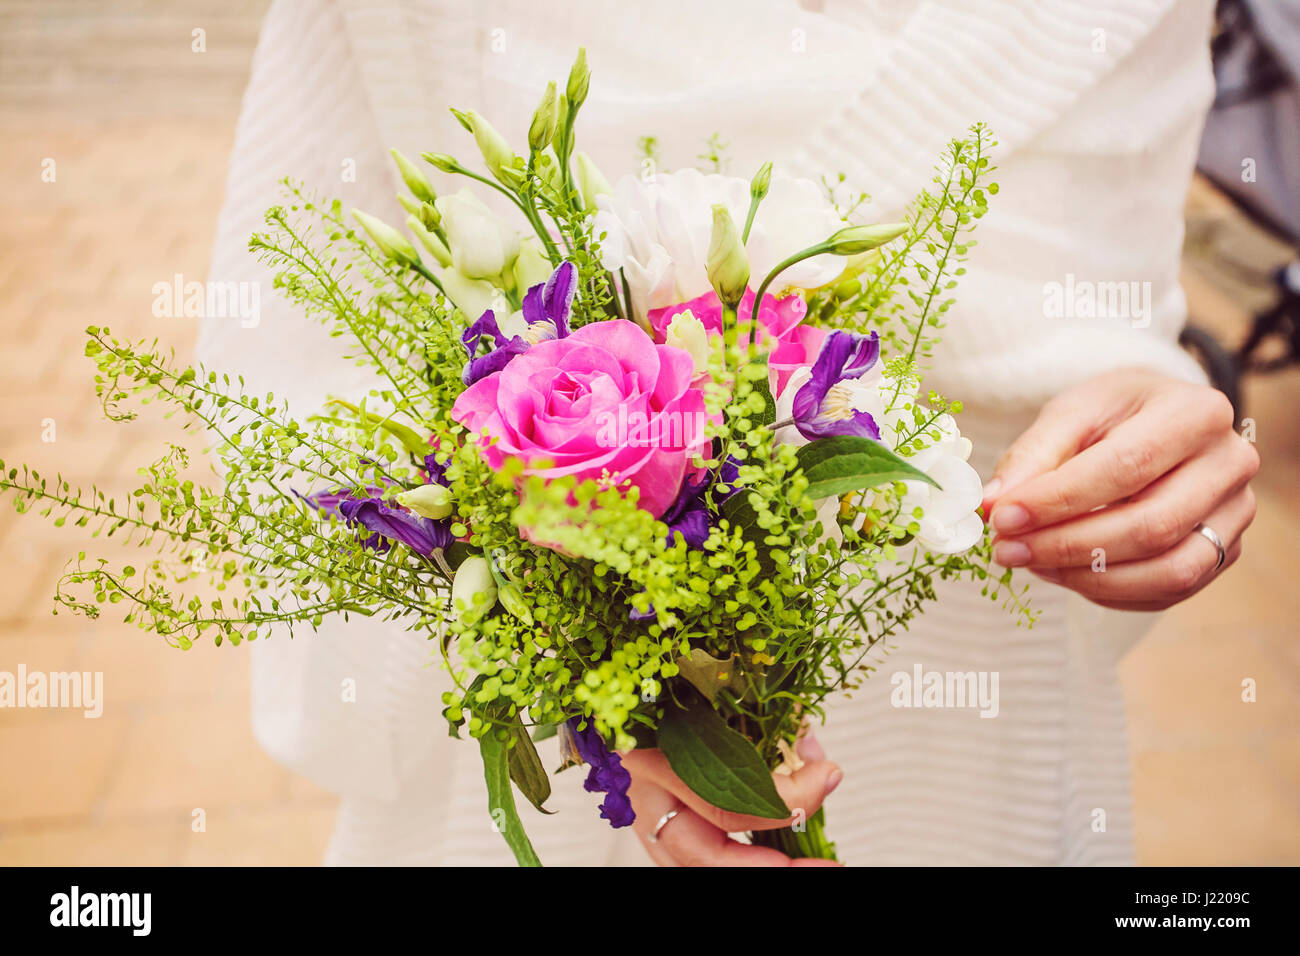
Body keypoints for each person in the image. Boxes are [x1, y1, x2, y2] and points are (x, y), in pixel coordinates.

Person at [198, 0, 1258, 865]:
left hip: (971, 734)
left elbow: (1102, 315)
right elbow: (296, 396)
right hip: (573, 792)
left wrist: (1158, 444)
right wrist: (607, 687)